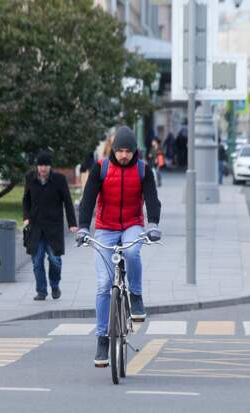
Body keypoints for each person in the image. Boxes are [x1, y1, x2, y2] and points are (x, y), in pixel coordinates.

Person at [76, 126, 162, 367]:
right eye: (120, 151)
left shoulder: (143, 170)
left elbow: (152, 198)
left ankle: (135, 296)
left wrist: (153, 224)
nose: (124, 155)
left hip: (132, 224)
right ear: (113, 150)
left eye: (128, 151)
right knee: (104, 284)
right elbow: (88, 199)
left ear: (135, 151)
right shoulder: (101, 168)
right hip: (105, 227)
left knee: (133, 251)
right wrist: (83, 227)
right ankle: (102, 340)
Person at [23, 151, 78, 301]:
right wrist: (26, 217)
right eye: (40, 165)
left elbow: (67, 201)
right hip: (35, 227)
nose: (43, 168)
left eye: (46, 165)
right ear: (37, 166)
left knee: (55, 260)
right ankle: (41, 291)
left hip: (53, 228)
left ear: (50, 166)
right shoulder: (30, 178)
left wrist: (72, 223)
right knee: (37, 261)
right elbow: (26, 199)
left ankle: (54, 285)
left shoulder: (59, 179)